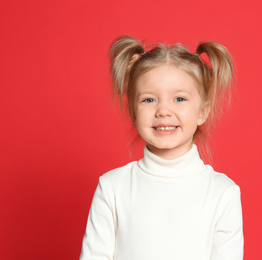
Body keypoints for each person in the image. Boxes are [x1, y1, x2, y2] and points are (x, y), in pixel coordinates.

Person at [80, 35, 243, 260]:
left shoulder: (222, 193)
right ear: (133, 112)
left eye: (179, 99)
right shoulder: (112, 188)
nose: (163, 110)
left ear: (202, 111)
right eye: (149, 100)